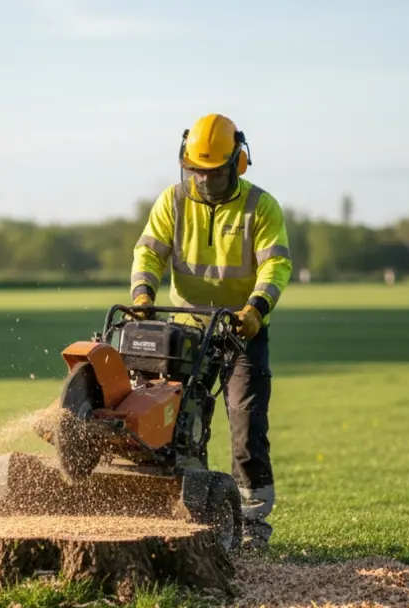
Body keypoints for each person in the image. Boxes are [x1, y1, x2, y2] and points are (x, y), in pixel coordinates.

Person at [128, 113, 293, 550]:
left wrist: (255, 309)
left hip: (243, 328)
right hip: (187, 328)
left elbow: (276, 264)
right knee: (181, 421)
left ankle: (253, 523)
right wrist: (143, 294)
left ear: (237, 164)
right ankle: (193, 512)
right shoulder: (172, 201)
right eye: (195, 173)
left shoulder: (261, 206)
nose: (203, 182)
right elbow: (149, 252)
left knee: (246, 419)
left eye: (214, 175)